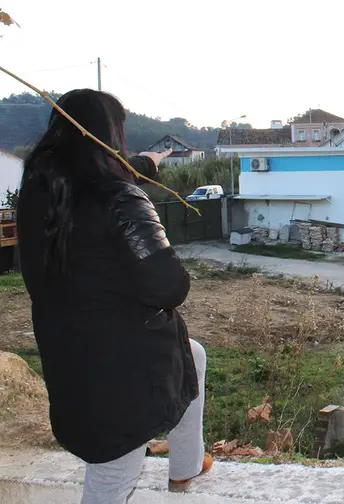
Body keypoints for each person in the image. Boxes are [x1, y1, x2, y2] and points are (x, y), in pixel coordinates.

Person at [16, 89, 212, 503]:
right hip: (119, 376)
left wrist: (147, 165)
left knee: (192, 354)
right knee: (108, 485)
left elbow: (108, 176)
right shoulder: (121, 200)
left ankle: (186, 467)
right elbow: (170, 287)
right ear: (109, 136)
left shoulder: (40, 196)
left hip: (69, 356)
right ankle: (182, 469)